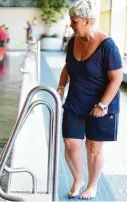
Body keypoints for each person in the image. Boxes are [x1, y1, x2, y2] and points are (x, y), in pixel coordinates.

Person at [57, 0, 123, 200]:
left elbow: (116, 79)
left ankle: (93, 185)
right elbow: (67, 66)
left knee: (93, 147)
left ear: (87, 21)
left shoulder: (107, 46)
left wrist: (102, 105)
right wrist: (61, 86)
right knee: (70, 143)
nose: (71, 24)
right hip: (76, 102)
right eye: (71, 20)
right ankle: (78, 179)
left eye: (74, 21)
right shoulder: (72, 41)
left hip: (101, 105)